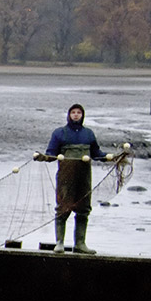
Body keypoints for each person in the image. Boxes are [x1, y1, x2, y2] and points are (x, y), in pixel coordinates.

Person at [35, 103, 114, 254]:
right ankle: (59, 243)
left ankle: (80, 244)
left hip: (84, 176)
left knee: (83, 209)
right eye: (73, 112)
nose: (76, 115)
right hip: (66, 176)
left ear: (83, 115)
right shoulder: (60, 133)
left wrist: (110, 158)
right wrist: (42, 157)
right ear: (69, 115)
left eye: (79, 113)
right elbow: (51, 154)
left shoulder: (89, 134)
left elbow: (96, 153)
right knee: (63, 208)